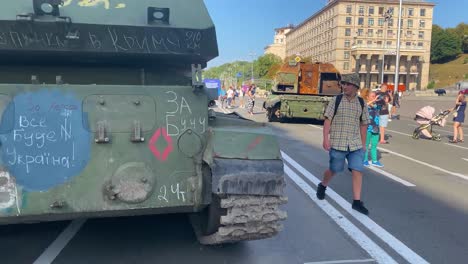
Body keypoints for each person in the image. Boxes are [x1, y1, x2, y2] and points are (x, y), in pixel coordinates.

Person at [317, 73, 371, 215]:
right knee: (334, 169)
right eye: (343, 84)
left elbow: (364, 124)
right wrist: (325, 139)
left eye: (347, 84)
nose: (344, 86)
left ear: (355, 86)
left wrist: (363, 144)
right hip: (338, 143)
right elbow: (327, 120)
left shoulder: (361, 103)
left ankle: (357, 202)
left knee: (358, 170)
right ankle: (323, 185)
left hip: (355, 144)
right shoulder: (336, 100)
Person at [363, 91, 384, 167]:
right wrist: (372, 100)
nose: (374, 98)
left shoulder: (377, 106)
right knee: (365, 145)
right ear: (367, 97)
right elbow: (364, 106)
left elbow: (383, 104)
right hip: (367, 128)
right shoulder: (365, 105)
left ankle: (374, 161)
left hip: (375, 128)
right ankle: (364, 160)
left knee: (374, 145)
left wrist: (382, 99)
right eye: (372, 96)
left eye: (374, 96)